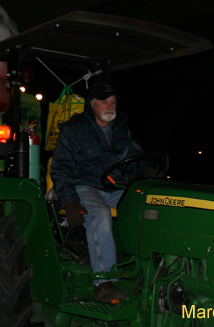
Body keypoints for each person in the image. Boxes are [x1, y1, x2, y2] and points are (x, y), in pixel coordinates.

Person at [50, 83, 154, 302]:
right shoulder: (74, 128)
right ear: (93, 104)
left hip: (113, 186)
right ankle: (104, 281)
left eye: (114, 102)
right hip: (83, 186)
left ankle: (149, 271)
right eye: (105, 102)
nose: (111, 106)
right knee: (100, 213)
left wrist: (151, 171)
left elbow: (136, 158)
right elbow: (60, 167)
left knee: (148, 209)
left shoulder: (121, 129)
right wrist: (69, 201)